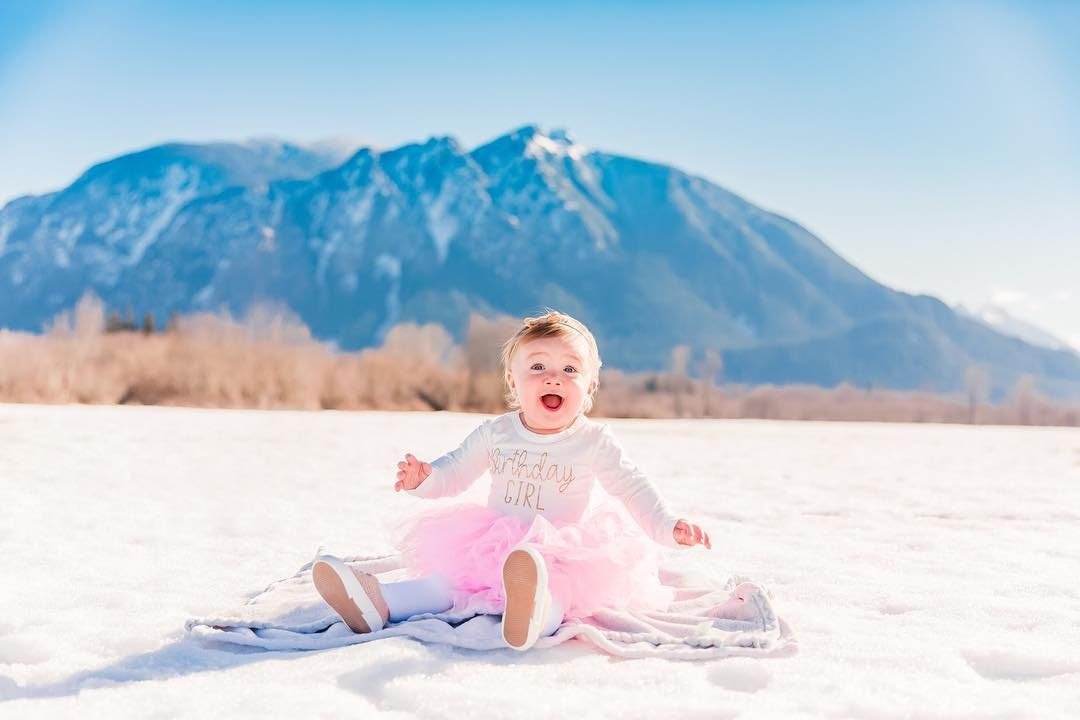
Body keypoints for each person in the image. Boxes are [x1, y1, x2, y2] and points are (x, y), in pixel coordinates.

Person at [313, 310, 712, 651]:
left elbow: (632, 487)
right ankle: (378, 601)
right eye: (537, 367)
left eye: (569, 370)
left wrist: (666, 526)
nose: (553, 378)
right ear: (513, 380)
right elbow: (453, 473)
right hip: (492, 544)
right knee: (447, 582)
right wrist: (425, 478)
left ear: (589, 386)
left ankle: (534, 615)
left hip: (559, 549)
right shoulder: (497, 433)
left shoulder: (593, 441)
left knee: (556, 587)